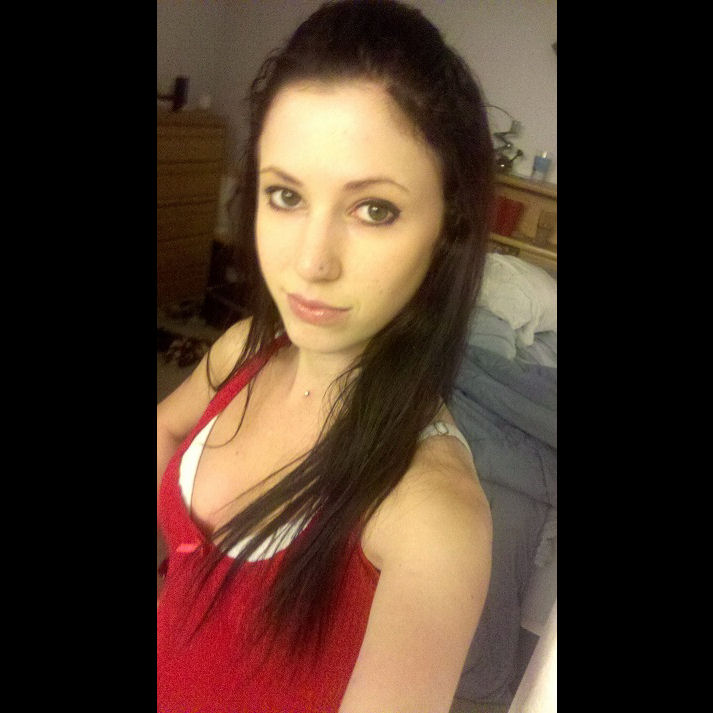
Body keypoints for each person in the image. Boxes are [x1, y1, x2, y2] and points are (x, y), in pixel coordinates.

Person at [157, 1, 495, 711]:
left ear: (449, 226)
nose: (310, 263)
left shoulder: (431, 518)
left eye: (374, 209)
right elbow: (164, 425)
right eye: (285, 195)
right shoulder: (244, 350)